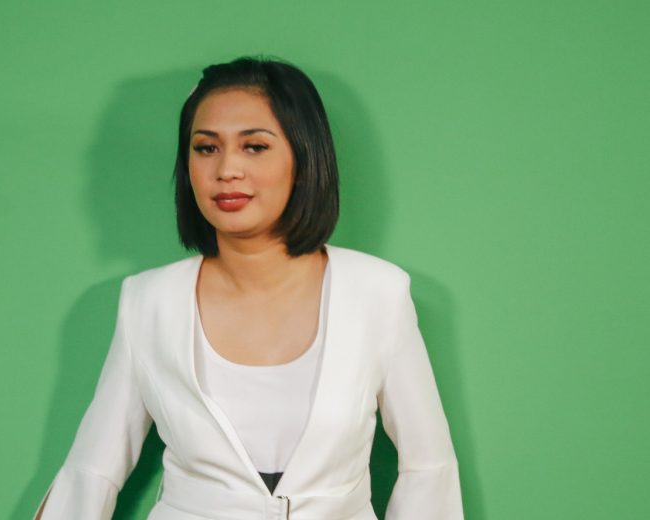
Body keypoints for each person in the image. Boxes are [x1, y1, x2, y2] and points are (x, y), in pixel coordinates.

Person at [35, 56, 464, 520]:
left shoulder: (378, 292)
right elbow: (92, 471)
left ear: (304, 159)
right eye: (206, 148)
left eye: (254, 147)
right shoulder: (149, 301)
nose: (227, 169)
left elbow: (429, 467)